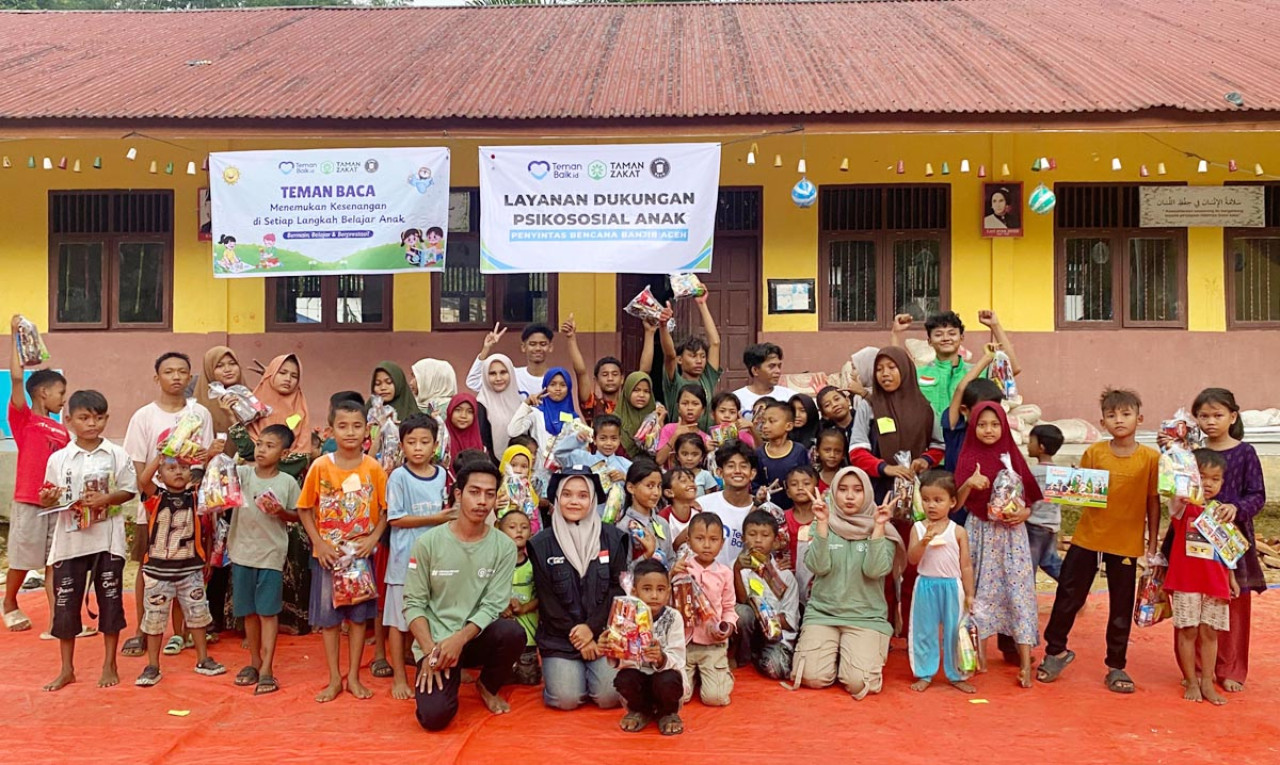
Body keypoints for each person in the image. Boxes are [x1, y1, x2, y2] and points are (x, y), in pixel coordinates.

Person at [1040, 388, 1159, 694]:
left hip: (1127, 542)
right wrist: (1068, 485)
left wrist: (1152, 544)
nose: (1119, 420)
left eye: (1126, 414)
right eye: (1111, 415)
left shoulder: (1151, 458)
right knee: (1068, 595)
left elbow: (1153, 501)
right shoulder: (1094, 453)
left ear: (1139, 419)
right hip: (1089, 537)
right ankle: (1055, 652)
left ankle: (1116, 665)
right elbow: (1082, 492)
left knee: (1121, 605)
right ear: (1102, 422)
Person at [405, 459, 525, 732]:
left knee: (512, 633)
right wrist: (430, 652)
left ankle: (487, 685)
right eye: (474, 492)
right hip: (436, 641)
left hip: (475, 636)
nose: (482, 501)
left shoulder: (504, 546)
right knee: (434, 718)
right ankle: (449, 675)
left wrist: (459, 640)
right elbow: (413, 603)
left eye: (489, 494)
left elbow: (494, 605)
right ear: (458, 494)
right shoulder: (428, 543)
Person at [38, 390, 138, 691]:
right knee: (66, 604)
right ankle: (66, 668)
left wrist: (106, 498)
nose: (92, 424)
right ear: (69, 420)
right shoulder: (59, 459)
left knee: (111, 600)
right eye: (84, 418)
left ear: (107, 418)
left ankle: (110, 663)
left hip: (107, 539)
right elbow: (49, 496)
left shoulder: (116, 454)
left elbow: (129, 490)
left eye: (99, 417)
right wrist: (47, 499)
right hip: (70, 541)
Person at [121, 352, 215, 659]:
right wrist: (153, 492)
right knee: (147, 567)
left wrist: (192, 490)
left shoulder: (200, 414)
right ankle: (142, 630)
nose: (176, 377)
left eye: (182, 371)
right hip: (154, 506)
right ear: (156, 377)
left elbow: (203, 460)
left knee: (189, 569)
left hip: (190, 507)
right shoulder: (144, 417)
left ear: (190, 377)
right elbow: (137, 465)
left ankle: (183, 632)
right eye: (169, 371)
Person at [297, 399, 389, 703]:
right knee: (330, 620)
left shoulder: (373, 468)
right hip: (329, 557)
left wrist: (373, 539)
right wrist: (319, 544)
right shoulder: (320, 466)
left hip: (360, 558)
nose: (350, 432)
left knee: (359, 619)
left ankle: (354, 677)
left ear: (367, 430)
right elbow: (304, 508)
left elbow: (386, 511)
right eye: (343, 426)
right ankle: (335, 678)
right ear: (331, 430)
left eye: (357, 426)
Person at [848, 346, 942, 637]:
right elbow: (856, 449)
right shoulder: (869, 405)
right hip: (881, 498)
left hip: (916, 499)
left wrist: (924, 461)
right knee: (882, 564)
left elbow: (938, 446)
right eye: (879, 369)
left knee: (915, 563)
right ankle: (884, 625)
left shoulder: (925, 407)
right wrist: (884, 468)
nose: (885, 374)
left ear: (906, 370)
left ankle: (914, 627)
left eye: (892, 367)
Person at [793, 466, 903, 699]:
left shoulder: (883, 526)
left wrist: (878, 528)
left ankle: (849, 655)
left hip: (866, 616)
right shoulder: (822, 520)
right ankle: (836, 654)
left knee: (860, 684)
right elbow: (818, 567)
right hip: (823, 613)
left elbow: (875, 571)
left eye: (857, 490)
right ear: (833, 492)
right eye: (842, 490)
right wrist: (823, 523)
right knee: (811, 678)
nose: (850, 496)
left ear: (868, 493)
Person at [529, 467, 630, 710]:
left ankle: (589, 674)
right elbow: (547, 600)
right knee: (566, 699)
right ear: (557, 498)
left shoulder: (613, 538)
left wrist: (592, 629)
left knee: (609, 697)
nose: (574, 501)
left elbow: (617, 590)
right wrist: (581, 638)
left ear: (593, 500)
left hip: (603, 634)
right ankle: (567, 676)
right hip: (560, 637)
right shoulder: (541, 544)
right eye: (567, 494)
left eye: (583, 495)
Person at [954, 402, 1040, 688]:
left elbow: (1030, 498)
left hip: (1012, 536)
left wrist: (1024, 513)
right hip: (979, 533)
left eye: (994, 424)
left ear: (1004, 426)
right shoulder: (968, 457)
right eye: (982, 424)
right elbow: (956, 504)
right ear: (973, 427)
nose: (988, 430)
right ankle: (978, 657)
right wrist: (969, 483)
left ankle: (1025, 663)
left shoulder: (1012, 455)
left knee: (1019, 593)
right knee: (978, 593)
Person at [1186, 387, 1265, 693]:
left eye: (1217, 415)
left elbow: (1257, 495)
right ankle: (1195, 669)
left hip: (1232, 540)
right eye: (1203, 416)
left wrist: (1236, 508)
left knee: (1234, 603)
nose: (1210, 421)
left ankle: (1231, 668)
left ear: (1232, 416)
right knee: (1195, 602)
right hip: (1195, 539)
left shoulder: (1245, 453)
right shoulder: (1191, 453)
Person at [134, 452, 226, 686]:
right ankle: (153, 665)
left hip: (190, 568)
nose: (178, 472)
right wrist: (159, 457)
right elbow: (143, 480)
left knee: (198, 615)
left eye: (184, 468)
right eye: (171, 468)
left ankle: (203, 659)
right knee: (154, 619)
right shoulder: (156, 497)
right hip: (158, 571)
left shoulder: (196, 496)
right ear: (160, 474)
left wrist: (209, 455)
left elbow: (214, 481)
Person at [3, 318, 68, 634]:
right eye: (60, 392)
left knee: (54, 561)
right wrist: (15, 336)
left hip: (56, 503)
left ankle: (58, 620)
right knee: (21, 559)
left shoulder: (63, 430)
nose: (64, 398)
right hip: (28, 500)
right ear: (42, 392)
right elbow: (17, 378)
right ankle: (9, 603)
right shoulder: (24, 418)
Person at [228, 423, 301, 696]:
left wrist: (281, 512)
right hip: (241, 551)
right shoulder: (243, 474)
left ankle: (268, 668)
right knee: (248, 611)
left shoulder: (287, 482)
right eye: (259, 444)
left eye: (270, 446)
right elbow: (219, 480)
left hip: (271, 554)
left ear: (284, 454)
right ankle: (254, 662)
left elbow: (297, 515)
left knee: (268, 613)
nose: (261, 450)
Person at [1165, 449, 1239, 705]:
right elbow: (1172, 491)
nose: (1208, 483)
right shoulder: (1182, 506)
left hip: (1216, 581)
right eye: (1202, 477)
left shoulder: (1221, 512)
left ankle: (1207, 680)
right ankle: (1191, 680)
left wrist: (1231, 578)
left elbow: (1228, 549)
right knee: (1188, 630)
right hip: (1186, 580)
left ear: (1222, 482)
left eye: (1215, 479)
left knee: (1210, 632)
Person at [384, 414, 450, 700]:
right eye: (411, 442)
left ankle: (440, 664)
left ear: (435, 445)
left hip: (436, 559)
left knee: (435, 614)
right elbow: (395, 518)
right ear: (402, 445)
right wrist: (436, 518)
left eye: (425, 442)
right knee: (399, 620)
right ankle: (399, 676)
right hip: (404, 560)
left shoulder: (443, 475)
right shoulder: (398, 477)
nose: (418, 448)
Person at [906, 470, 976, 694]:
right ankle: (924, 672)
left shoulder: (958, 531)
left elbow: (966, 565)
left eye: (938, 500)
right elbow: (912, 559)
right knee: (923, 631)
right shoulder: (918, 528)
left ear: (952, 501)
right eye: (926, 500)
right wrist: (923, 542)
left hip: (952, 587)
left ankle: (957, 673)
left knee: (956, 631)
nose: (931, 505)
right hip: (925, 586)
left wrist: (970, 594)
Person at [890, 310, 1020, 421]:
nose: (946, 338)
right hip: (928, 440)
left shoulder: (977, 371)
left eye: (952, 333)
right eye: (938, 334)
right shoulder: (918, 373)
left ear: (961, 338)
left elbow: (1011, 370)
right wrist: (895, 334)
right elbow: (897, 368)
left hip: (965, 439)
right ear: (929, 341)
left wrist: (995, 326)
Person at [612, 558, 687, 736]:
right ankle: (640, 710)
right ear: (634, 592)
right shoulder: (625, 618)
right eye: (647, 589)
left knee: (669, 679)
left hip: (664, 680)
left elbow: (678, 659)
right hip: (640, 678)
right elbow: (621, 661)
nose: (654, 595)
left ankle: (668, 714)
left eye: (660, 589)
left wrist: (661, 658)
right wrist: (610, 649)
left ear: (668, 592)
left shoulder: (674, 617)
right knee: (624, 678)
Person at [672, 512, 737, 706]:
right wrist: (670, 575)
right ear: (689, 541)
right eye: (700, 539)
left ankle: (719, 673)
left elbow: (729, 607)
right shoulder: (681, 568)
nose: (707, 545)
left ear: (722, 543)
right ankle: (696, 676)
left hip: (712, 643)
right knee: (679, 697)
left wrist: (728, 626)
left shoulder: (725, 573)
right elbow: (666, 601)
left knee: (715, 698)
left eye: (713, 540)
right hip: (684, 643)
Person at [733, 510, 800, 680]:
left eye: (765, 535)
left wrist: (767, 619)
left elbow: (790, 619)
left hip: (776, 635)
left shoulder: (785, 575)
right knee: (743, 614)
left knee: (776, 669)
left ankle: (761, 657)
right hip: (751, 630)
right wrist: (737, 570)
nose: (758, 540)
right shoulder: (737, 568)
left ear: (775, 540)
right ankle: (744, 657)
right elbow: (741, 602)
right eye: (752, 534)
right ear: (743, 538)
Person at [659, 290, 722, 430]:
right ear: (680, 359)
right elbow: (669, 355)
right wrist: (663, 327)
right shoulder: (674, 382)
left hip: (705, 440)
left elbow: (715, 343)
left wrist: (702, 304)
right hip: (679, 440)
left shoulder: (707, 379)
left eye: (702, 356)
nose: (699, 361)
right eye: (693, 356)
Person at [696, 440, 758, 567]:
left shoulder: (763, 510)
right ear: (719, 472)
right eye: (730, 466)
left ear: (752, 473)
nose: (737, 471)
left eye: (743, 466)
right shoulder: (702, 506)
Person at [497, 511, 540, 686]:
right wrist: (501, 606)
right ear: (499, 532)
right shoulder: (494, 565)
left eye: (524, 527)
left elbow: (542, 597)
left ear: (531, 532)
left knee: (529, 680)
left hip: (529, 635)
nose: (519, 531)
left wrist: (524, 608)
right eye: (512, 527)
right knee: (502, 678)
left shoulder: (535, 565)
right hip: (501, 635)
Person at [560, 313, 623, 425]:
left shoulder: (629, 406)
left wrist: (649, 333)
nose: (610, 378)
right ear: (596, 380)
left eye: (614, 374)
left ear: (622, 379)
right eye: (605, 374)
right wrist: (571, 338)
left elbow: (643, 373)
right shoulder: (592, 405)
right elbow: (581, 372)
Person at [466, 322, 553, 396]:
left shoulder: (555, 378)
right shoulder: (512, 375)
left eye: (543, 344)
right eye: (532, 344)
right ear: (523, 347)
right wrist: (486, 348)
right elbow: (473, 382)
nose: (538, 348)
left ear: (550, 347)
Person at [754, 400, 811, 510]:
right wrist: (760, 493)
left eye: (772, 421)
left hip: (796, 509)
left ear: (788, 426)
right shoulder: (759, 454)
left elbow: (808, 478)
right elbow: (755, 483)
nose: (765, 426)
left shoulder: (799, 451)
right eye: (764, 422)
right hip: (769, 510)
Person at [1025, 423, 1065, 581]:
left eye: (1031, 441)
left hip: (1034, 525)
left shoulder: (1031, 473)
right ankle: (1072, 585)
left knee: (1029, 565)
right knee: (1049, 561)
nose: (1028, 445)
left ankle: (1027, 594)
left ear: (1041, 447)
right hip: (1052, 525)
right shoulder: (1062, 474)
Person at [508, 366, 577, 453]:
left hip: (566, 462)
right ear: (545, 387)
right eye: (552, 384)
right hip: (539, 462)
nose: (558, 389)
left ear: (569, 388)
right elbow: (512, 431)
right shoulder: (536, 413)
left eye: (563, 385)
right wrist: (526, 404)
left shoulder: (574, 418)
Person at [619, 460, 674, 566]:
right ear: (631, 488)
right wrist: (646, 555)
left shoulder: (662, 523)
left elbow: (670, 559)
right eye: (650, 486)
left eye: (659, 486)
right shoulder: (624, 527)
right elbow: (623, 571)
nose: (656, 493)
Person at [552, 413, 632, 485]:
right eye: (603, 438)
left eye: (614, 438)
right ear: (594, 439)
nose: (608, 443)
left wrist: (625, 478)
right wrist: (576, 439)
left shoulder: (626, 465)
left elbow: (636, 485)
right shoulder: (581, 458)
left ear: (619, 439)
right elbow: (559, 454)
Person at [193, 345, 244, 456]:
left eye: (232, 364)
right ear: (209, 370)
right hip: (211, 464)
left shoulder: (250, 396)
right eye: (219, 366)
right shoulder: (200, 405)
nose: (228, 370)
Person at [732, 343, 796, 421]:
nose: (778, 371)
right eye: (772, 366)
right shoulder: (735, 399)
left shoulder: (790, 397)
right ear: (755, 370)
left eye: (779, 366)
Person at [475, 353, 524, 455]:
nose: (498, 378)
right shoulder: (480, 405)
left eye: (503, 372)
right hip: (490, 462)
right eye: (492, 373)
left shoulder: (520, 402)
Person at [782, 465, 819, 599]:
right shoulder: (781, 519)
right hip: (788, 582)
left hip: (817, 583)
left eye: (806, 483)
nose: (800, 487)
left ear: (816, 489)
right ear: (788, 492)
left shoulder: (823, 519)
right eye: (794, 484)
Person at [654, 384, 710, 467]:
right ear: (678, 408)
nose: (690, 408)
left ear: (703, 410)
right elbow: (658, 460)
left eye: (695, 404)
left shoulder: (706, 439)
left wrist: (708, 450)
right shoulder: (668, 429)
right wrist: (675, 436)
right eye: (685, 403)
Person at [617, 372, 665, 459]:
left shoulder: (654, 417)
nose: (641, 395)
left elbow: (659, 451)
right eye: (636, 390)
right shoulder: (615, 419)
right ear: (627, 391)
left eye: (646, 391)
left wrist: (659, 423)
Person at [816, 385, 869, 456]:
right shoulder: (825, 435)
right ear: (824, 414)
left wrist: (864, 393)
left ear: (847, 400)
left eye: (837, 399)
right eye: (827, 405)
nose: (834, 405)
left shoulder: (866, 421)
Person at [444, 392, 488, 465]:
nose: (463, 416)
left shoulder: (480, 446)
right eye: (458, 410)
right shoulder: (442, 439)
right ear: (450, 411)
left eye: (469, 412)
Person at [660, 467, 700, 544]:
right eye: (683, 481)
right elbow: (664, 548)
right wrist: (681, 538)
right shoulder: (663, 518)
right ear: (669, 493)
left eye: (692, 481)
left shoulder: (698, 511)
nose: (691, 484)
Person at [814, 427, 848, 493]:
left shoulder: (848, 477)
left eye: (837, 451)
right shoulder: (811, 477)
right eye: (827, 450)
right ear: (817, 451)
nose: (832, 455)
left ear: (843, 454)